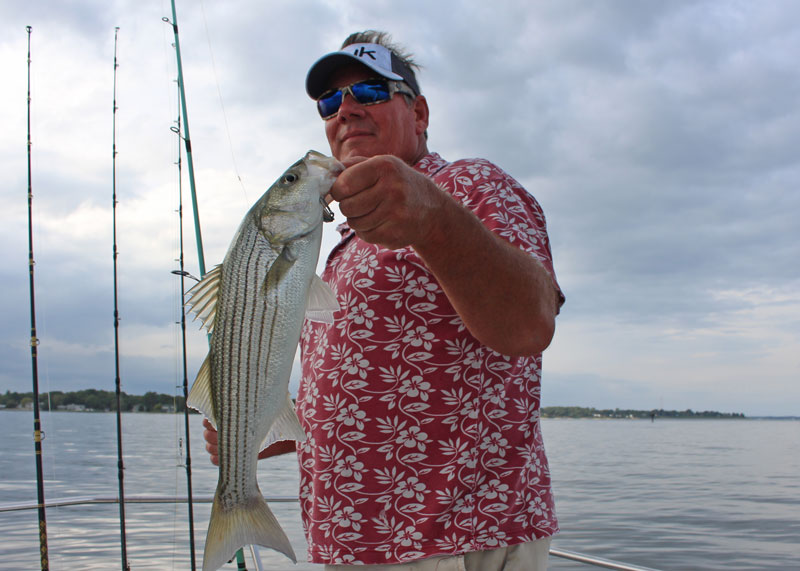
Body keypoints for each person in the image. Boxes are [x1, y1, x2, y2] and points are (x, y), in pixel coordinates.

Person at [204, 30, 565, 570]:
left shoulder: (470, 185)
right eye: (330, 102)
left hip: (455, 535)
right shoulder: (338, 249)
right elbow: (378, 387)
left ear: (418, 113)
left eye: (370, 92)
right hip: (352, 543)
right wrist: (276, 429)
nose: (345, 111)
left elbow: (531, 324)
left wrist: (434, 216)